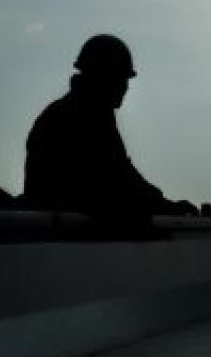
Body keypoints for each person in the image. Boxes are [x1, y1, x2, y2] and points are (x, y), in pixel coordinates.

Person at [22, 34, 189, 220]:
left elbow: (121, 175)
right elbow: (118, 179)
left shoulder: (86, 112)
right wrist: (164, 206)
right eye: (120, 79)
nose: (125, 88)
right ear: (102, 77)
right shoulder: (82, 117)